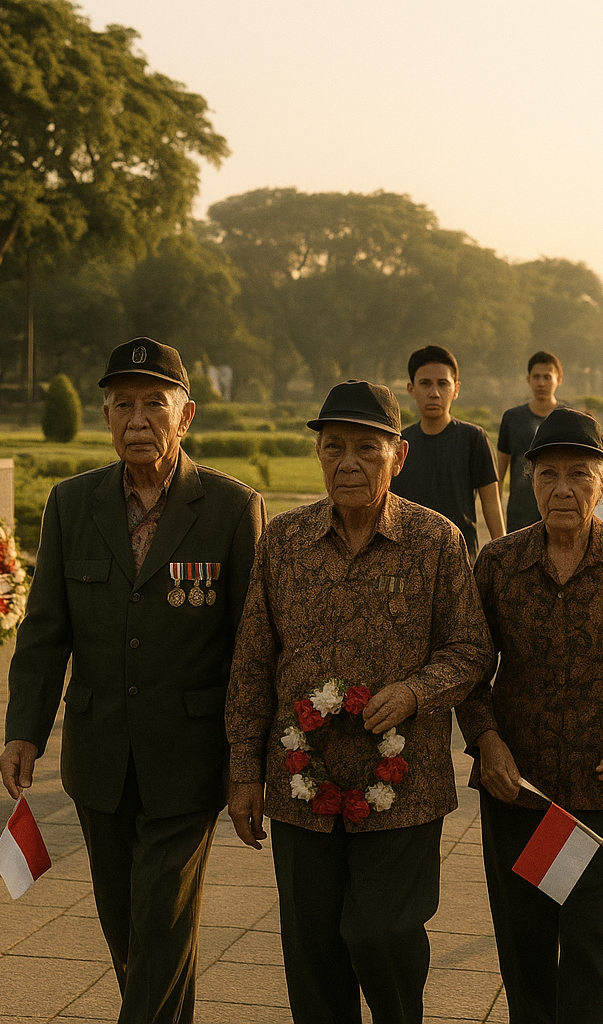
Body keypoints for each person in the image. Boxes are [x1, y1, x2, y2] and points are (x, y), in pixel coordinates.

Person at [0, 337, 266, 1024]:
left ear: (187, 415)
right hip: (99, 756)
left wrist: (247, 763)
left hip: (189, 760)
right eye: (122, 404)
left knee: (162, 918)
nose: (137, 419)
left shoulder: (233, 509)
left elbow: (251, 646)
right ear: (106, 416)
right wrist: (23, 732)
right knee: (129, 930)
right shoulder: (70, 503)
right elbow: (45, 631)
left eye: (155, 403)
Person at [224, 379, 493, 1024]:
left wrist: (413, 692)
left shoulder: (437, 542)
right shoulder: (284, 542)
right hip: (299, 790)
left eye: (366, 449)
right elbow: (254, 661)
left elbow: (470, 651)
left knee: (384, 935)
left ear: (398, 456)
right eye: (334, 446)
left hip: (404, 788)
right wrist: (241, 770)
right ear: (318, 453)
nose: (348, 462)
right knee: (311, 955)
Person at [457, 408, 603, 1024]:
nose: (563, 488)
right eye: (549, 473)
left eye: (580, 474)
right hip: (521, 791)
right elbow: (471, 671)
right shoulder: (499, 564)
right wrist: (487, 743)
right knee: (526, 945)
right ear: (529, 482)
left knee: (594, 945)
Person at [391, 344, 504, 558]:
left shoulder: (474, 438)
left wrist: (503, 557)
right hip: (407, 559)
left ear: (456, 389)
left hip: (460, 557)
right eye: (425, 384)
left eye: (443, 384)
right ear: (411, 389)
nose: (434, 393)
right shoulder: (398, 444)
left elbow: (491, 504)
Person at [497, 351, 565, 531]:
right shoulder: (512, 418)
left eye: (547, 377)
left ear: (559, 379)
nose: (541, 383)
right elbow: (500, 470)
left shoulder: (570, 419)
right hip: (520, 512)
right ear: (528, 379)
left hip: (559, 509)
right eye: (536, 377)